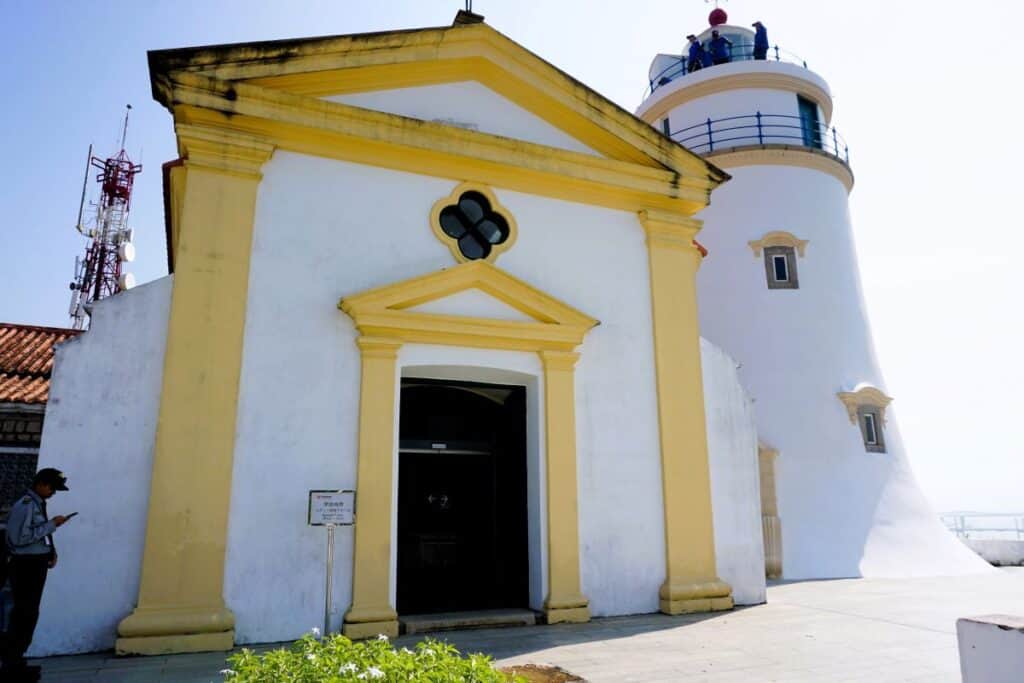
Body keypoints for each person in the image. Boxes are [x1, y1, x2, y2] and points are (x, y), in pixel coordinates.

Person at [1, 468, 73, 680]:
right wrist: (53, 525)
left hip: (35, 563)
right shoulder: (25, 505)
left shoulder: (35, 504)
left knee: (29, 612)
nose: (52, 493)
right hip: (25, 566)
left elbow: (36, 534)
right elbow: (17, 539)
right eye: (51, 488)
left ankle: (17, 659)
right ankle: (10, 662)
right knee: (23, 613)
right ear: (40, 483)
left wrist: (50, 551)